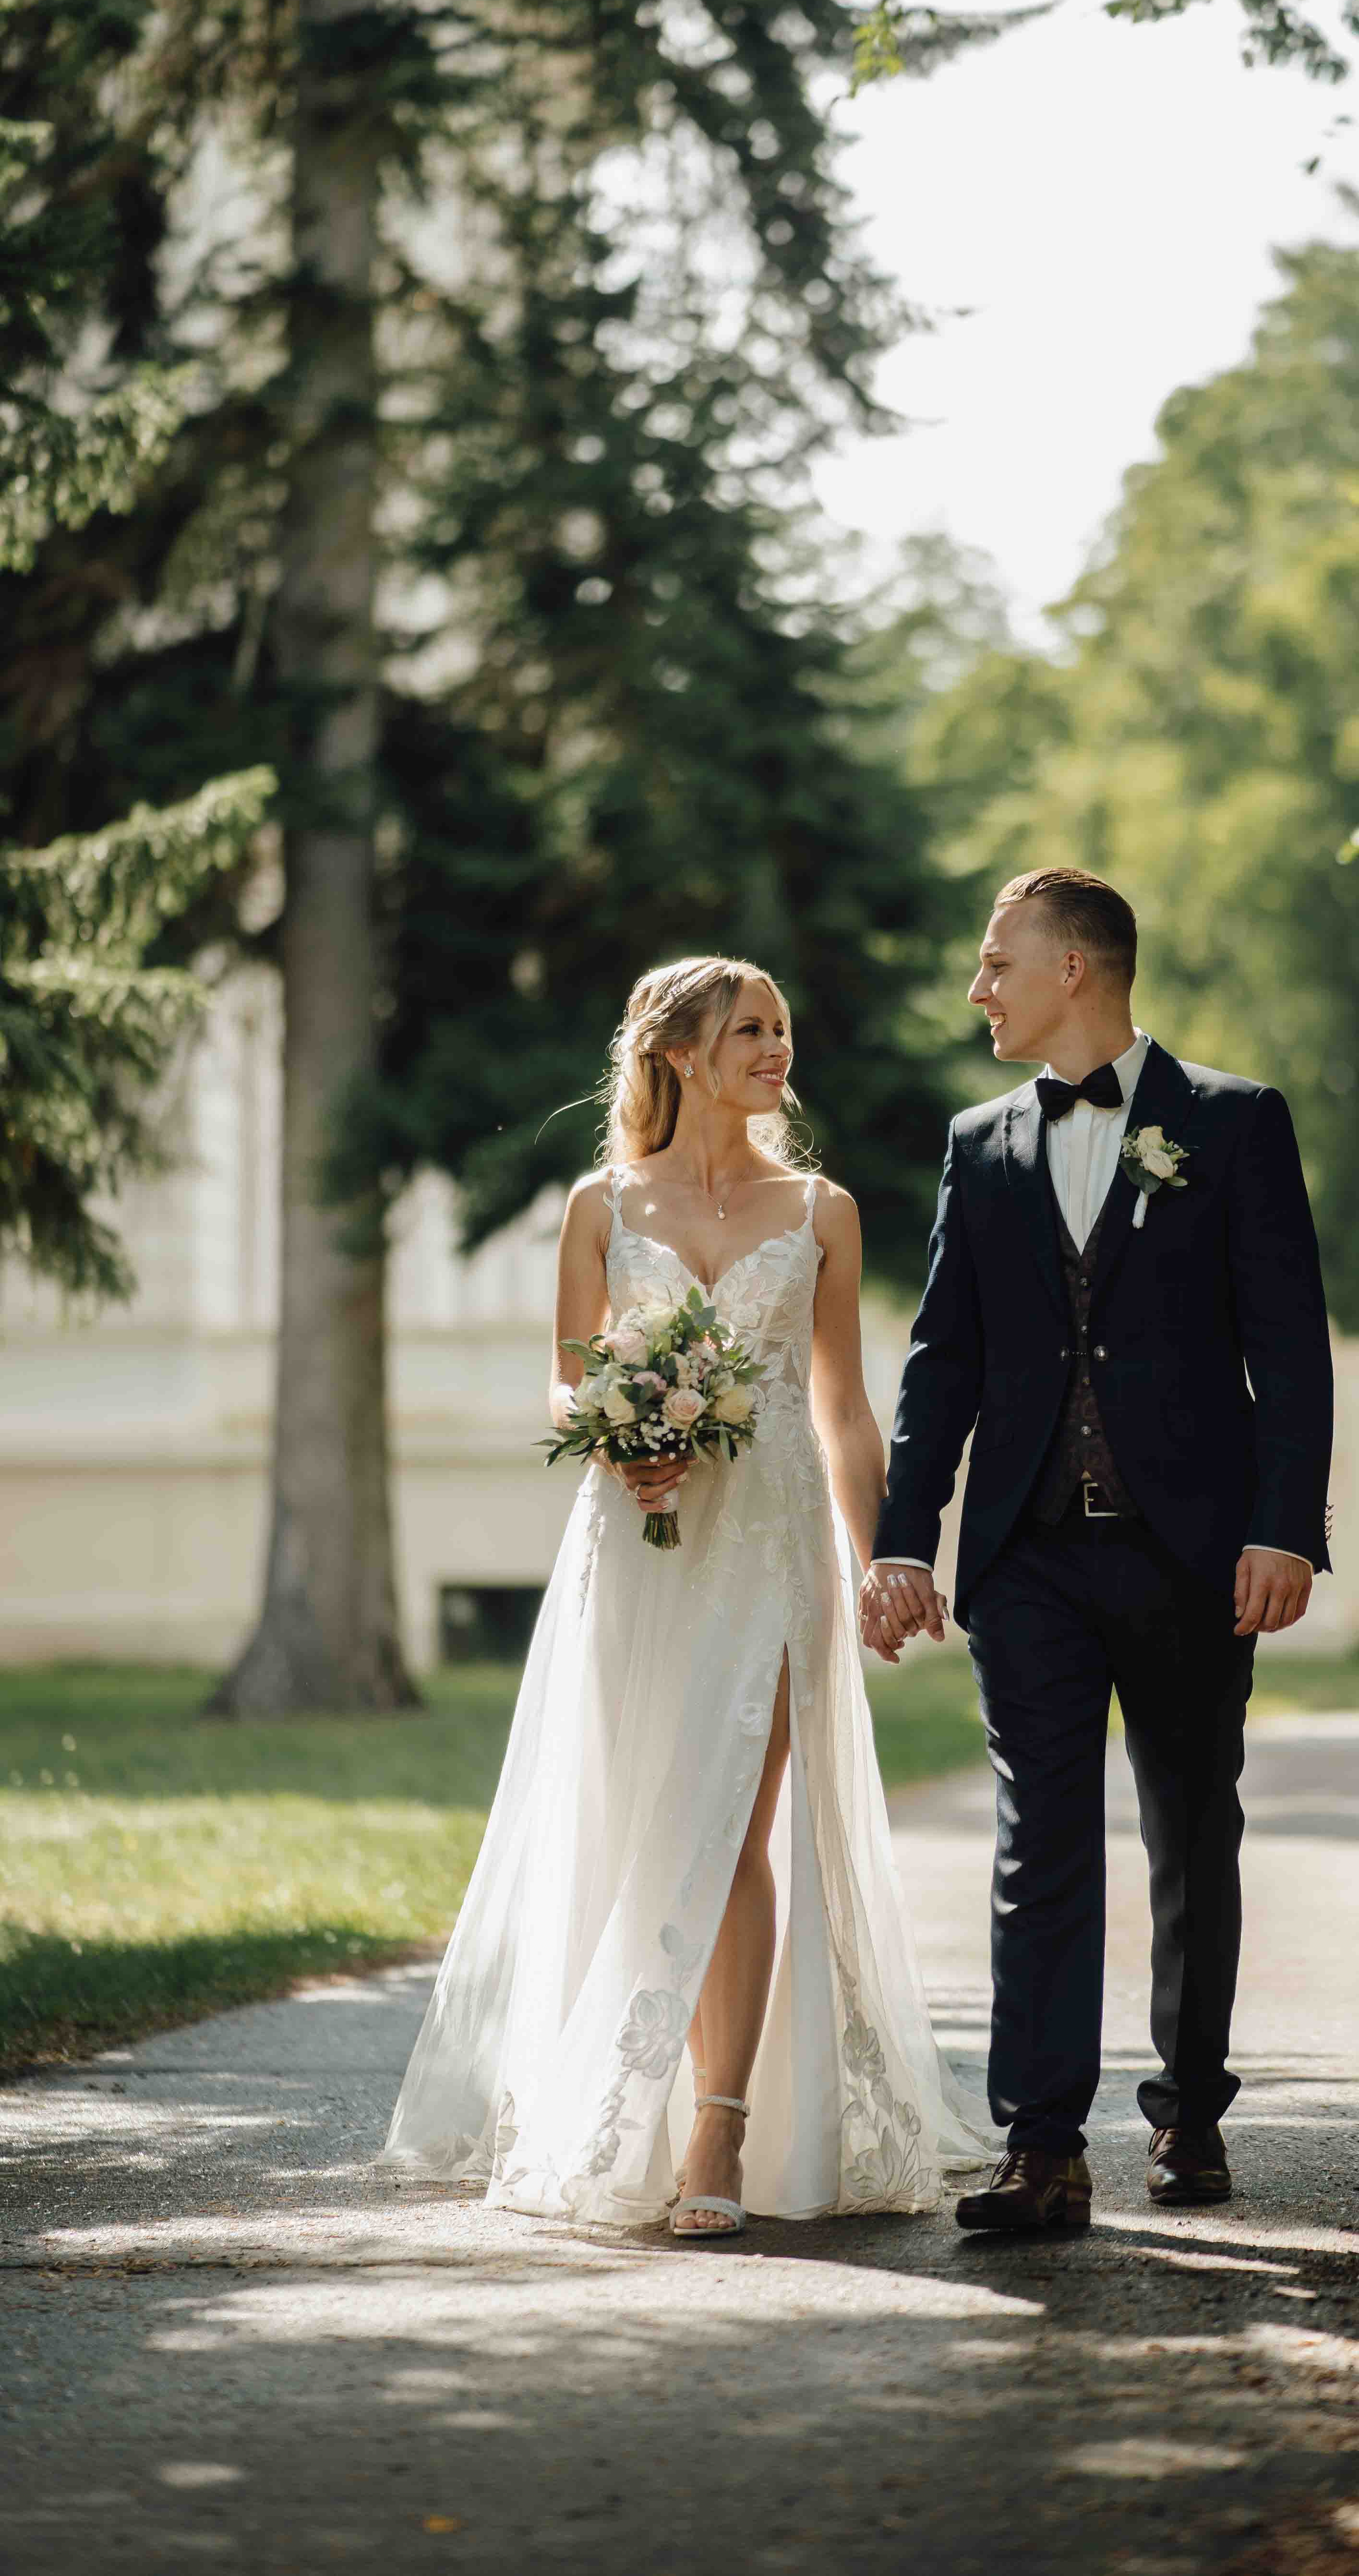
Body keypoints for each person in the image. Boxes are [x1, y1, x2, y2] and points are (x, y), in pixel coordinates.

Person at [384, 956, 987, 2238]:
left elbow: (840, 1405)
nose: (776, 1049)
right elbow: (566, 1376)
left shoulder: (821, 1210)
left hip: (770, 1540)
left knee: (738, 1817)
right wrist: (614, 1430)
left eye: (781, 1028)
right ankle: (621, 2110)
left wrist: (887, 1555)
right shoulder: (601, 1204)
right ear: (675, 1051)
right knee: (647, 1813)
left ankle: (720, 2125)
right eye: (749, 1030)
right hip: (638, 1538)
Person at [860, 868, 1333, 2234]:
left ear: (1072, 969)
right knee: (1039, 1848)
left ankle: (1189, 2114)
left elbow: (1288, 1345)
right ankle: (1042, 2145)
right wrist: (906, 1541)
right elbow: (942, 1363)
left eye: (996, 962)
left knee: (1192, 1830)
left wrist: (1283, 1528)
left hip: (1193, 1552)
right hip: (1028, 1560)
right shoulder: (980, 1144)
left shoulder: (1232, 1122)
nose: (978, 988)